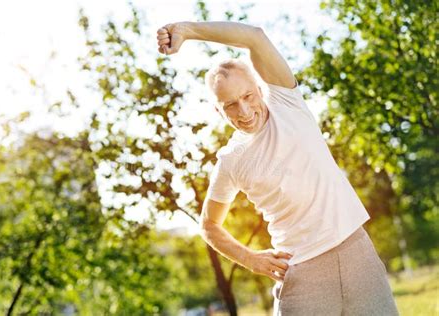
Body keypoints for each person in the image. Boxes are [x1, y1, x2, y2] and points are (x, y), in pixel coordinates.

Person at [156, 21, 399, 315]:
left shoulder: (286, 101)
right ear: (217, 110)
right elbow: (208, 225)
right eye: (230, 105)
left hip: (357, 254)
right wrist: (251, 259)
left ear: (260, 88)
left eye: (247, 96)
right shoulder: (232, 160)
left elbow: (254, 37)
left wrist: (188, 31)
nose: (244, 111)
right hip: (301, 272)